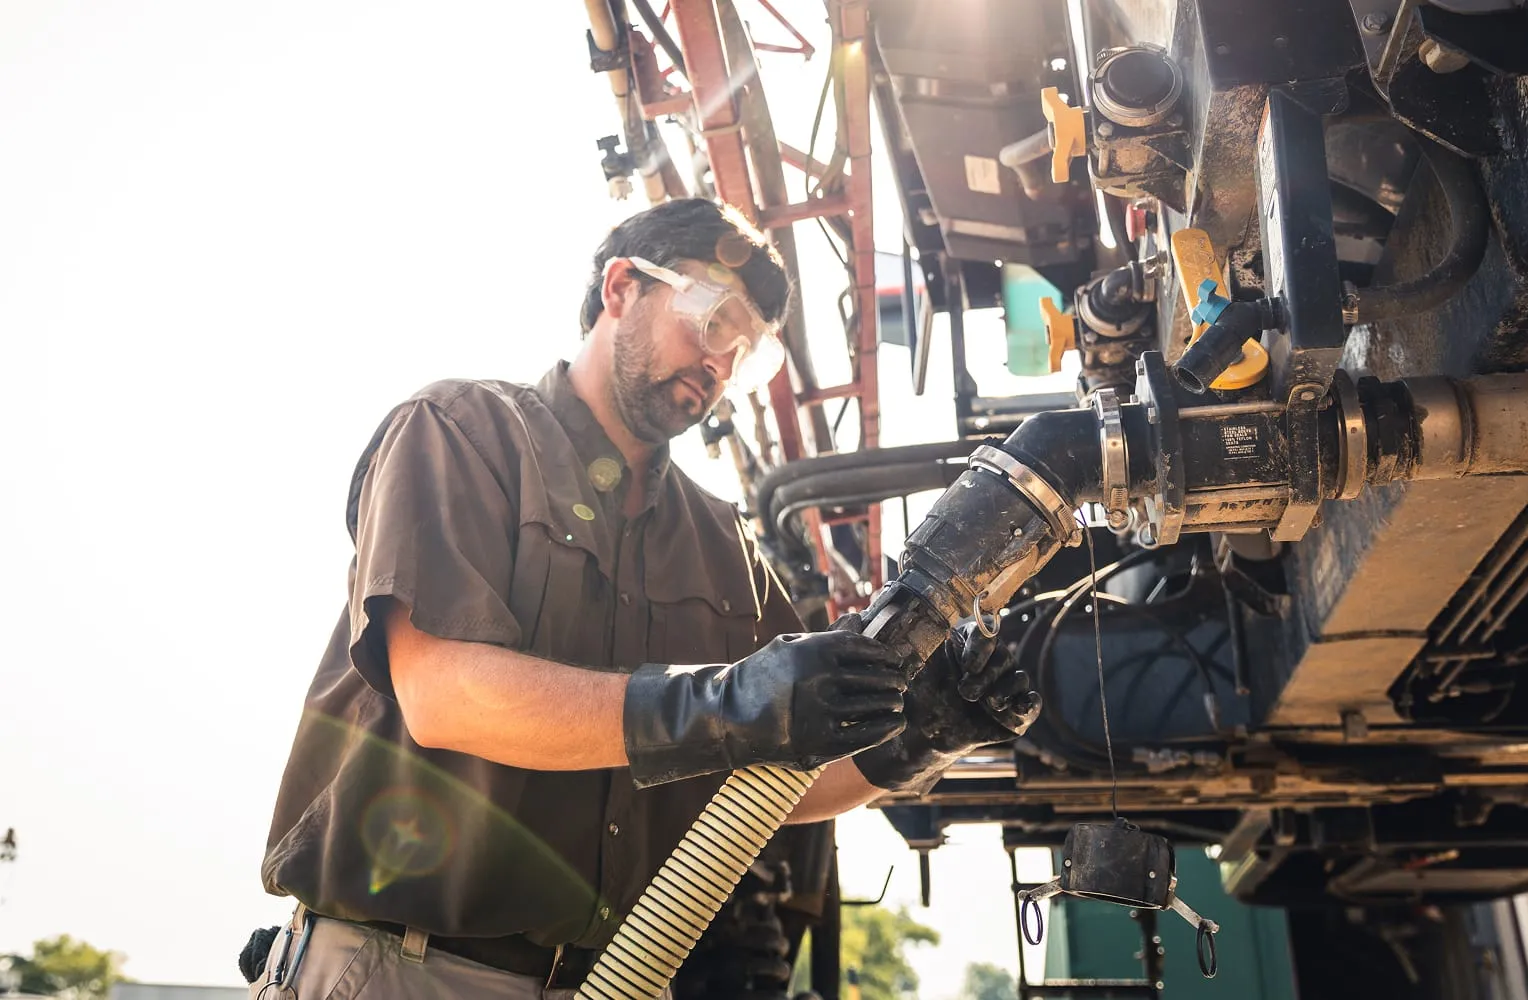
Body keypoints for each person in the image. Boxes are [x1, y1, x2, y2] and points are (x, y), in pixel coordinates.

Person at [249, 198, 1041, 1000]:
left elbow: (777, 777)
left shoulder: (724, 545)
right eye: (715, 320)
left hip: (611, 983)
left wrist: (916, 742)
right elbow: (443, 695)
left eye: (749, 353)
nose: (722, 364)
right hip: (406, 969)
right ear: (622, 286)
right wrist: (723, 703)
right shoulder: (464, 431)